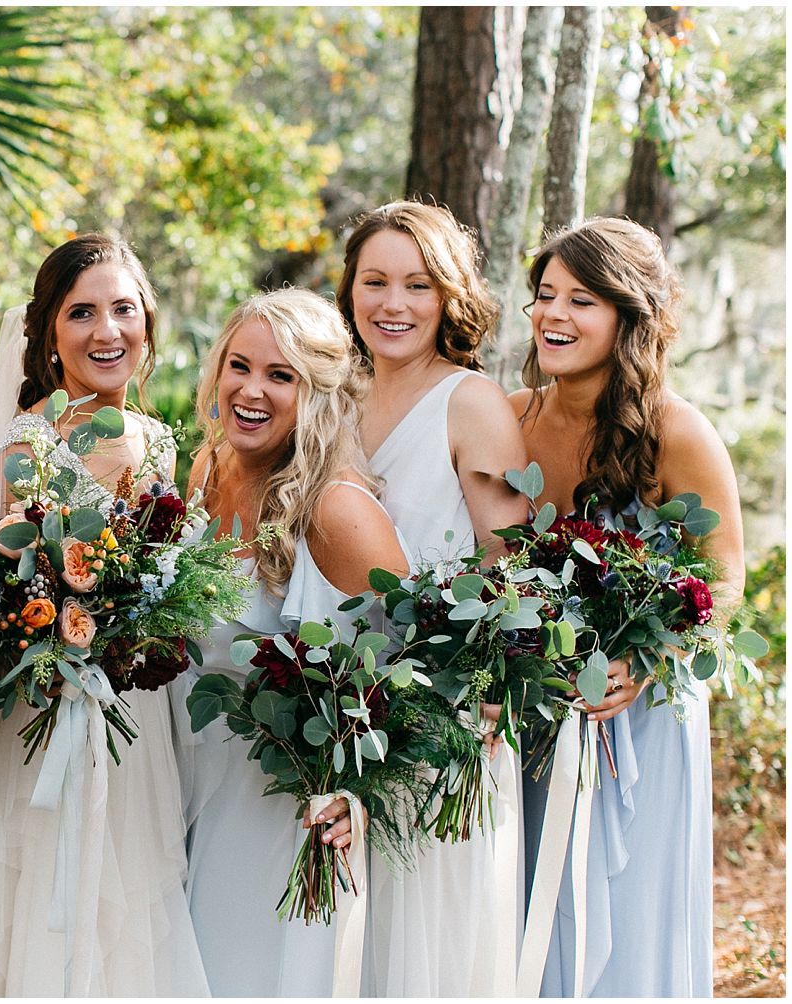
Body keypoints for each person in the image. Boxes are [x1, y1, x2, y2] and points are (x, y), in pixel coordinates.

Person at [0, 234, 206, 996]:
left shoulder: (159, 444)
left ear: (147, 319)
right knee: (33, 909)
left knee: (120, 915)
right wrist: (34, 623)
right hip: (38, 717)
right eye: (82, 313)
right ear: (48, 333)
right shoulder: (24, 446)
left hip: (126, 725)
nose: (107, 331)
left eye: (123, 309)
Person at [511, 217, 740, 997]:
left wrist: (646, 659)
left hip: (638, 722)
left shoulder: (678, 432)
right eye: (545, 295)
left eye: (582, 299)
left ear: (628, 316)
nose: (554, 315)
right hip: (536, 713)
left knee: (632, 922)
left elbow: (726, 577)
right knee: (534, 919)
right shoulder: (510, 420)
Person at [178, 288, 409, 995]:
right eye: (239, 366)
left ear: (319, 393)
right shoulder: (206, 471)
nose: (252, 390)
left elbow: (412, 667)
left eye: (281, 376)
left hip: (276, 814)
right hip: (182, 785)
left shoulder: (336, 510)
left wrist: (359, 790)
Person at [335, 200, 530, 995]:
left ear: (449, 295)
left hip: (441, 716)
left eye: (417, 285)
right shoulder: (336, 397)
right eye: (374, 281)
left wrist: (476, 681)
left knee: (430, 944)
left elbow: (509, 566)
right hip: (340, 711)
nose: (393, 304)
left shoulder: (471, 402)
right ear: (349, 292)